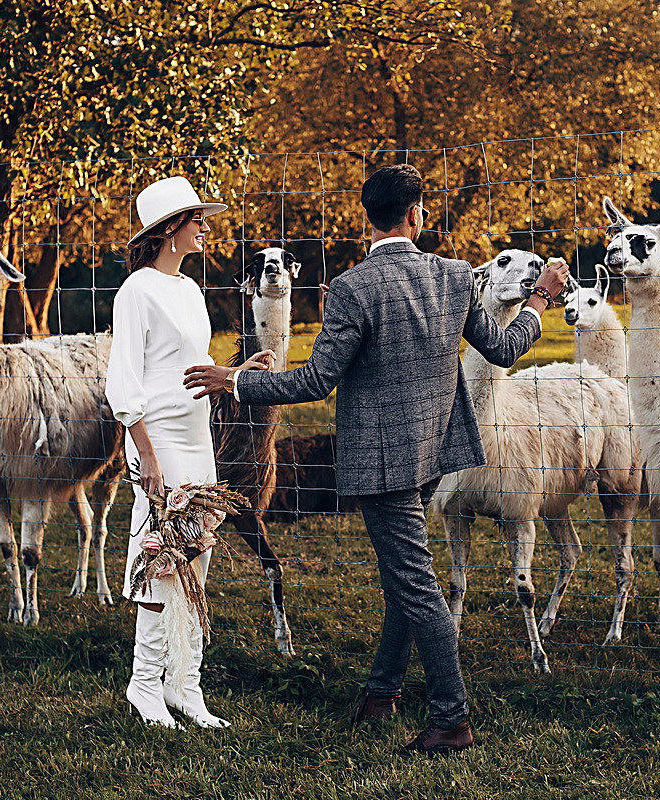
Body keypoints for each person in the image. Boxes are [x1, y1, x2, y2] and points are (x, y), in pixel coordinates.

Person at [184, 164, 570, 754]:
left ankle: (451, 720)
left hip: (383, 466)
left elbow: (315, 380)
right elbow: (504, 347)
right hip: (435, 452)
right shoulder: (454, 277)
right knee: (404, 575)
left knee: (415, 585)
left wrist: (235, 380)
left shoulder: (352, 288)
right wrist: (539, 298)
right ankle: (380, 692)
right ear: (417, 214)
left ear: (368, 218)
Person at [107, 176, 271, 729]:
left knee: (196, 557)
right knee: (160, 557)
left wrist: (237, 376)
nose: (206, 226)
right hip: (160, 442)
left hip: (197, 437)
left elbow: (192, 367)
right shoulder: (136, 291)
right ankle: (144, 683)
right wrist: (145, 454)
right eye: (197, 218)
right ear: (170, 228)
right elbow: (124, 381)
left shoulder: (191, 290)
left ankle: (186, 684)